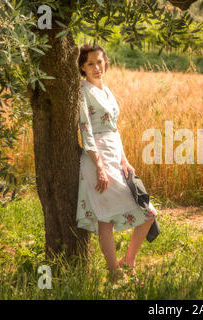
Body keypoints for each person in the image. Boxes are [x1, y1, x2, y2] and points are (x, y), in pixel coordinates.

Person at [76, 43, 158, 282]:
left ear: (105, 62)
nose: (96, 67)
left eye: (99, 62)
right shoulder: (83, 92)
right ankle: (114, 273)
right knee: (105, 218)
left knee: (148, 212)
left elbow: (115, 129)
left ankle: (128, 262)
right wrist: (99, 166)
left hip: (115, 156)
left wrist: (124, 159)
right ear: (82, 66)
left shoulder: (107, 91)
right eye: (90, 63)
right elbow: (86, 131)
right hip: (97, 159)